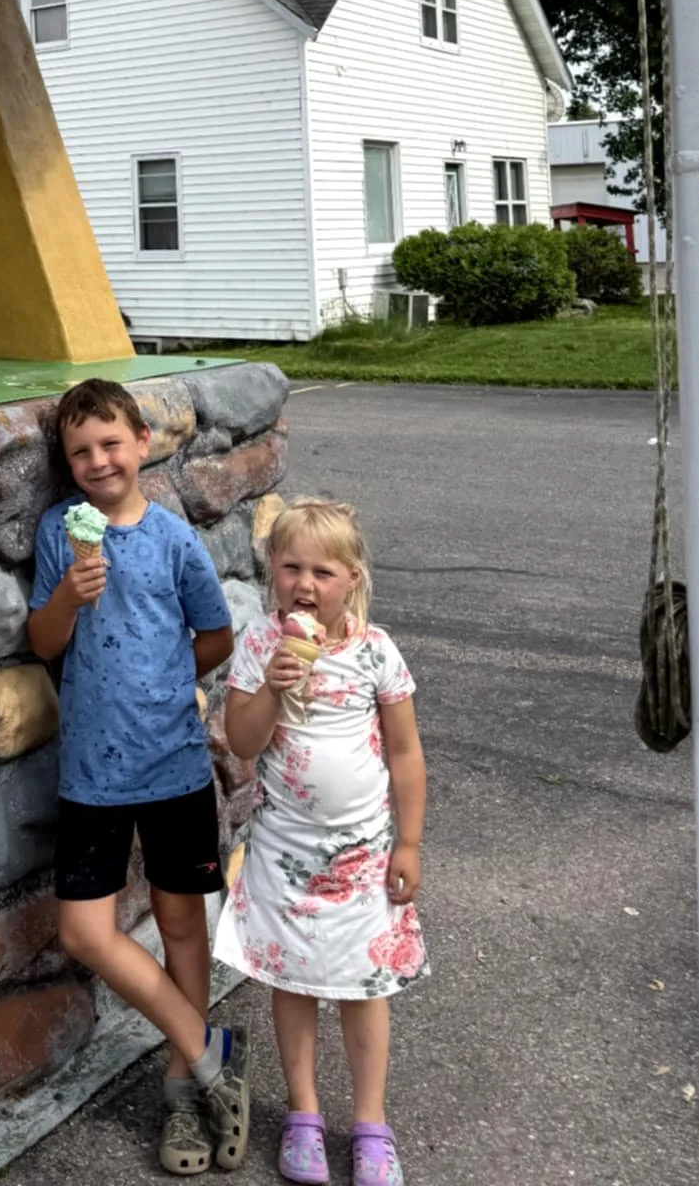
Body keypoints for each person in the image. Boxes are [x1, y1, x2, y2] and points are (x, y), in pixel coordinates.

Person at [26, 378, 247, 1177]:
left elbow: (216, 637)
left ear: (141, 445)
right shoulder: (61, 533)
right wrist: (69, 595)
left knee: (181, 918)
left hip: (174, 762)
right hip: (91, 769)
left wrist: (164, 682)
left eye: (111, 444)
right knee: (87, 931)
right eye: (80, 451)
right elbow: (44, 643)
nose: (97, 460)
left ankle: (184, 1087)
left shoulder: (174, 539)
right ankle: (205, 1047)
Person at [217, 498, 427, 1186]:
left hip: (364, 854)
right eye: (291, 567)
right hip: (284, 851)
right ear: (272, 573)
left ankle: (371, 1123)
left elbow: (405, 754)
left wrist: (411, 843)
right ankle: (304, 1115)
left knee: (366, 988)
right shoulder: (258, 642)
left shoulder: (375, 652)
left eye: (323, 571)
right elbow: (243, 744)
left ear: (353, 579)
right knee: (294, 981)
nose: (306, 585)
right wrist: (274, 688)